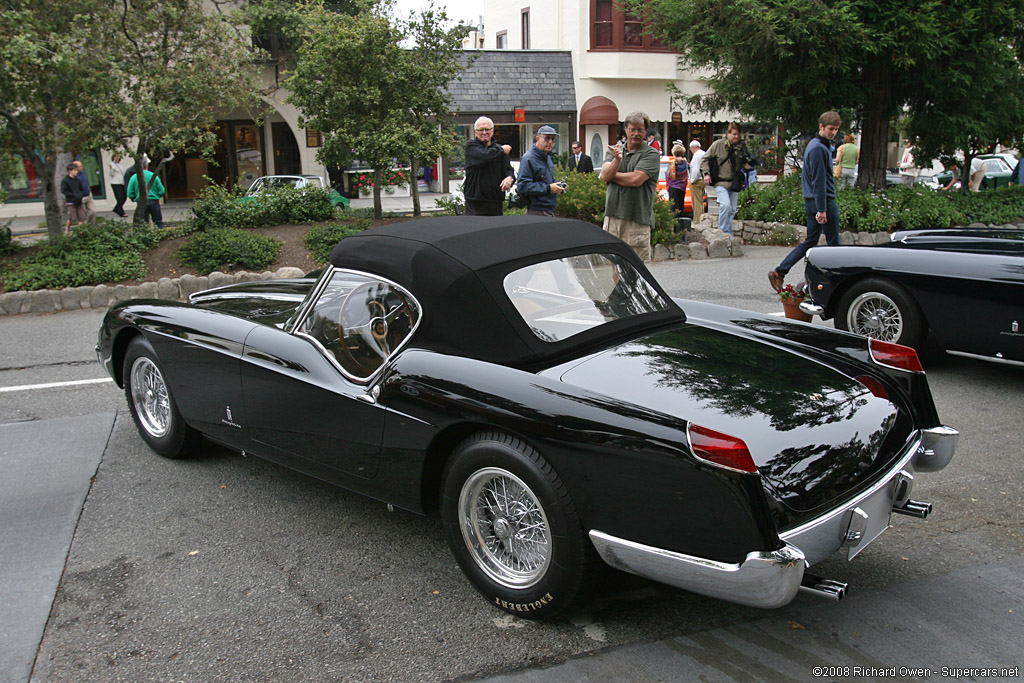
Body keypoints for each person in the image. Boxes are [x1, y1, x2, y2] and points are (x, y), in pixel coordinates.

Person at [768, 111, 843, 292]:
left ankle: (781, 272)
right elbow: (818, 180)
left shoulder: (817, 145)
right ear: (821, 127)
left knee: (810, 241)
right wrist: (822, 209)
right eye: (830, 129)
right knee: (834, 246)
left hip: (813, 201)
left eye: (836, 130)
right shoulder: (818, 148)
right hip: (822, 201)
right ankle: (835, 283)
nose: (833, 132)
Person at [600, 111, 661, 261]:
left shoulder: (651, 154)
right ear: (626, 129)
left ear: (645, 132)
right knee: (614, 266)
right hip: (612, 218)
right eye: (632, 129)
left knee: (636, 271)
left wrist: (612, 175)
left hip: (637, 220)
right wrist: (616, 160)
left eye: (640, 130)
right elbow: (605, 176)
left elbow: (635, 180)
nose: (636, 133)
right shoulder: (615, 150)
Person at [700, 122, 750, 235]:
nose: (736, 136)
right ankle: (723, 231)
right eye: (734, 134)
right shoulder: (718, 145)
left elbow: (745, 161)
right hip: (721, 181)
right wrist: (706, 173)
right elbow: (705, 159)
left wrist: (747, 165)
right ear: (728, 133)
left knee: (732, 209)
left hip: (734, 182)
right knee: (725, 205)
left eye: (738, 134)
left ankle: (728, 231)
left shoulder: (741, 147)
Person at [463, 116, 514, 216]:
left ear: (493, 131)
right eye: (480, 130)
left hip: (495, 202)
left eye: (487, 129)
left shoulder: (499, 150)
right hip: (475, 203)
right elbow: (484, 156)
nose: (484, 132)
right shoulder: (471, 146)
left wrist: (510, 178)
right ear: (475, 132)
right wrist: (502, 150)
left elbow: (509, 169)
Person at [516, 126, 565, 216]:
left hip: (549, 209)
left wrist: (557, 185)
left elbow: (546, 180)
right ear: (538, 138)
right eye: (547, 138)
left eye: (553, 139)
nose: (550, 142)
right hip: (536, 211)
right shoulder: (528, 158)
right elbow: (522, 186)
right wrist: (548, 188)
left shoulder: (548, 157)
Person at [126, 160, 166, 228]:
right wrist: (157, 195)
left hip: (141, 202)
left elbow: (130, 193)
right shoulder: (153, 176)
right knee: (158, 222)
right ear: (147, 166)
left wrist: (134, 198)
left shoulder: (134, 177)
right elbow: (161, 190)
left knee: (144, 223)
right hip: (154, 201)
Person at [61, 163, 85, 234]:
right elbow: (64, 191)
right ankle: (67, 228)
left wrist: (80, 195)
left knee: (82, 217)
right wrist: (73, 195)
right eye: (74, 170)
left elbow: (81, 188)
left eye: (76, 170)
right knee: (72, 218)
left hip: (79, 201)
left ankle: (81, 231)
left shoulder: (77, 180)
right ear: (70, 171)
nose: (76, 172)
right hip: (71, 202)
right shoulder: (65, 180)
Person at [666, 144, 689, 219]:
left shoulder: (673, 162)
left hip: (673, 185)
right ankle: (681, 223)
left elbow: (668, 174)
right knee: (680, 205)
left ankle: (674, 224)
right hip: (682, 186)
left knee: (673, 206)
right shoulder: (685, 163)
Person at [688, 140, 706, 225]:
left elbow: (696, 170)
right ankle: (701, 219)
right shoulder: (703, 153)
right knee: (701, 201)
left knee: (696, 202)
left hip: (697, 181)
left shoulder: (696, 156)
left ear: (693, 147)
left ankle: (697, 220)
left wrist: (692, 180)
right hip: (703, 179)